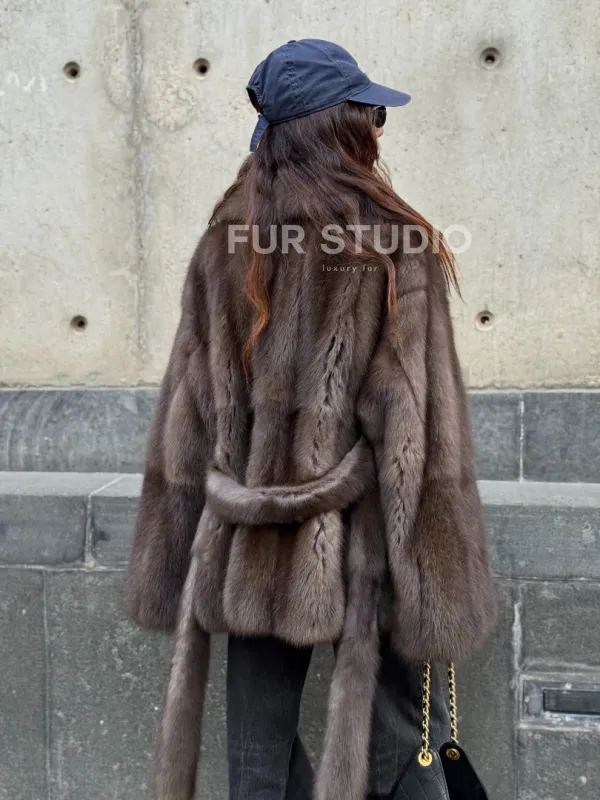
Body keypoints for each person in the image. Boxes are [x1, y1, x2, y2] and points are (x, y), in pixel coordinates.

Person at [124, 38, 497, 800]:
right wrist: (433, 585)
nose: (380, 131)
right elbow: (419, 437)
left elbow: (186, 416)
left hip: (249, 543)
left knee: (256, 757)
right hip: (364, 546)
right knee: (398, 751)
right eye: (370, 116)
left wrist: (171, 559)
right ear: (340, 127)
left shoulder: (224, 240)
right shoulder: (391, 244)